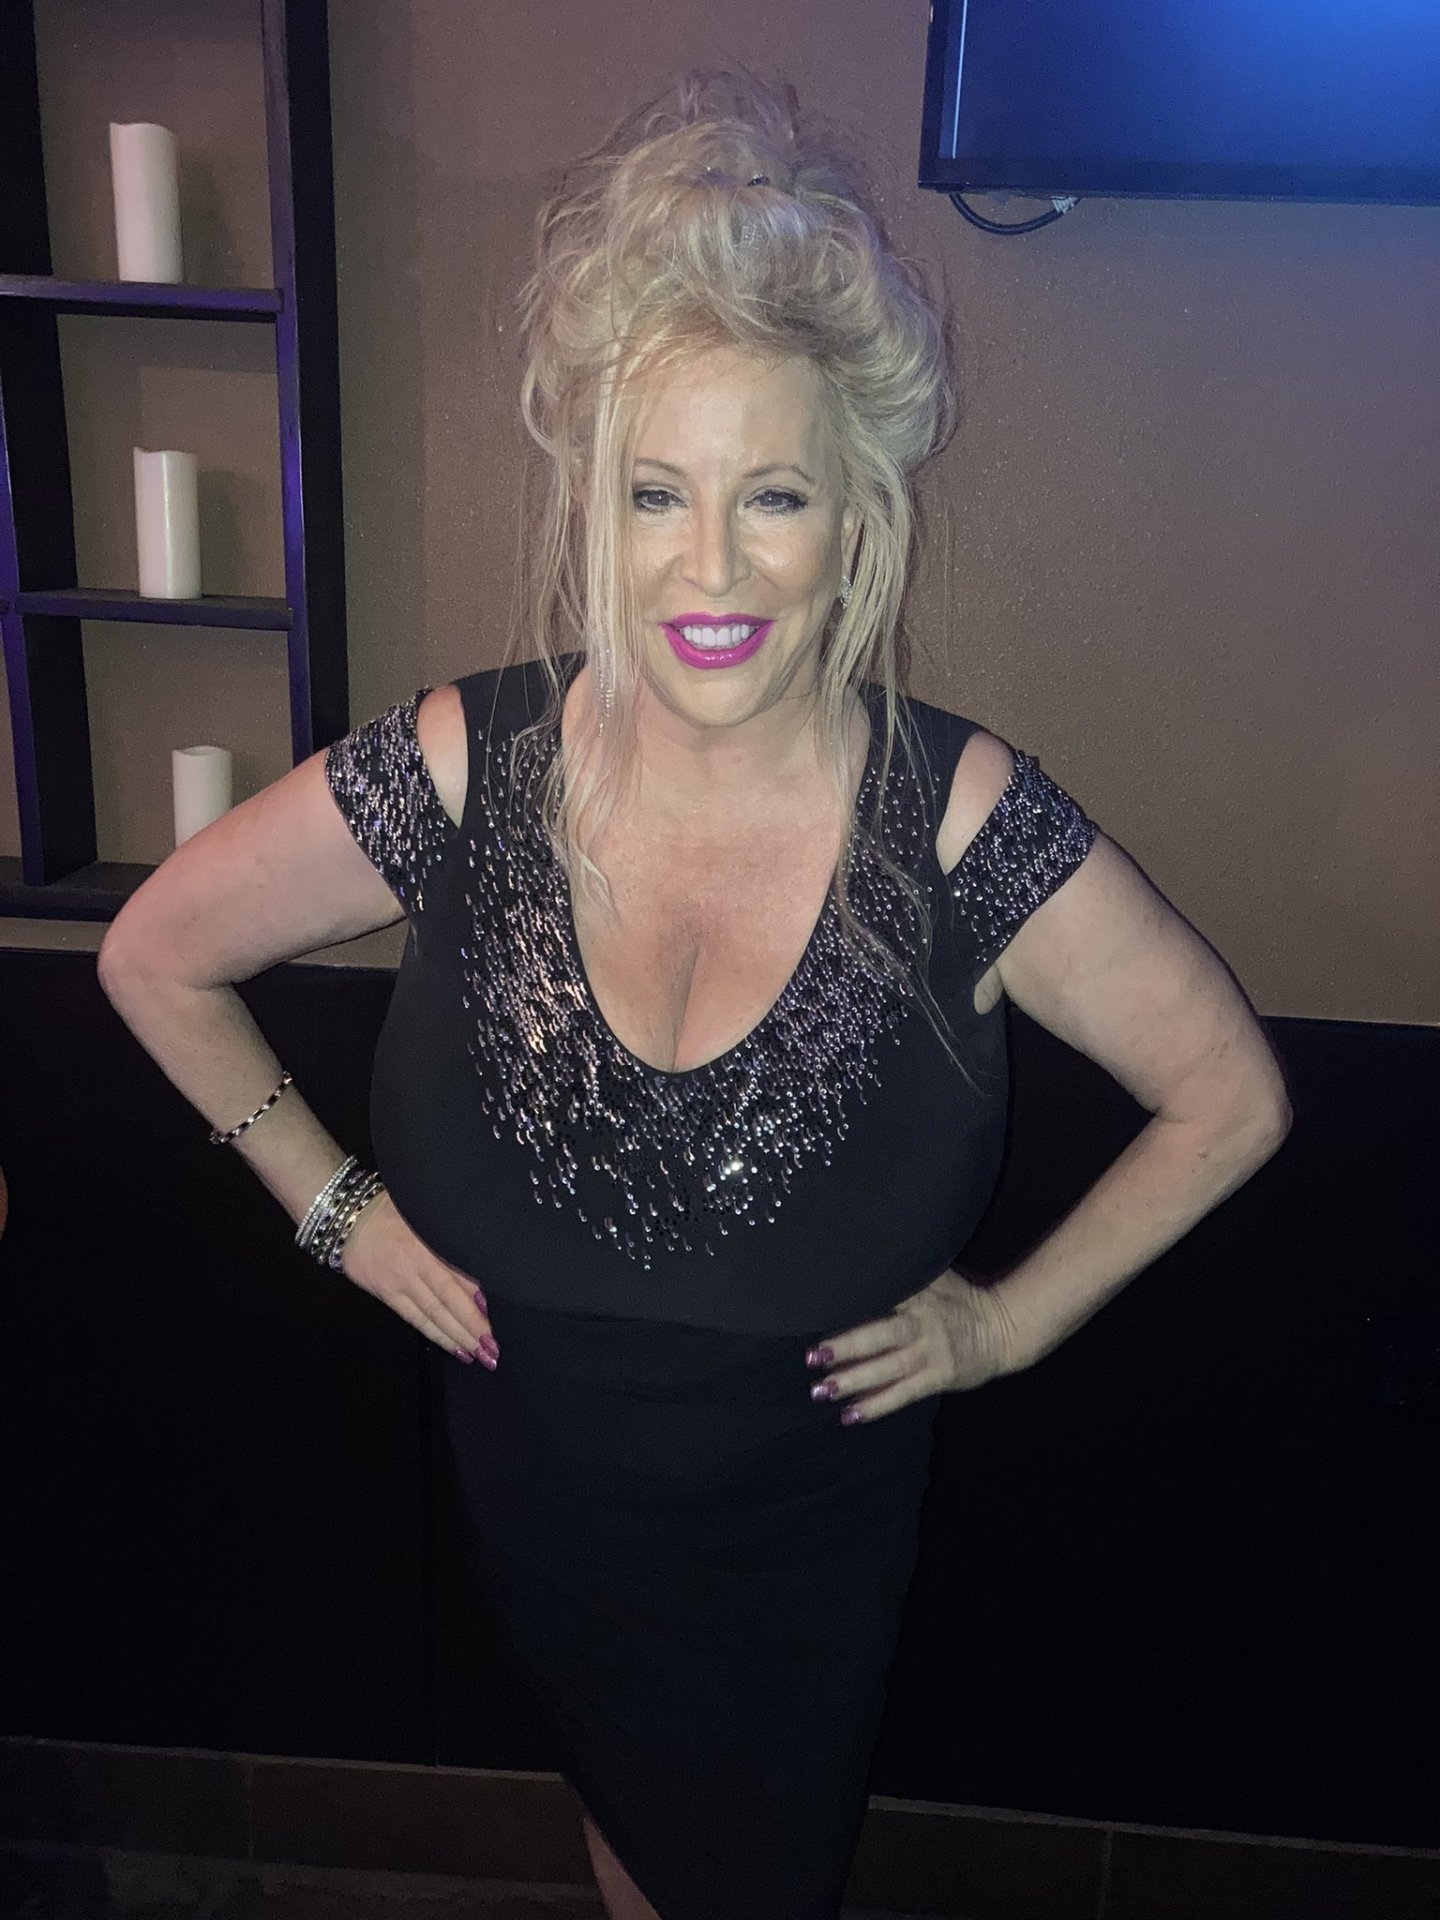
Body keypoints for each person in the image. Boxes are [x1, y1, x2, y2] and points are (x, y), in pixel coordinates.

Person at [97, 68, 1292, 1920]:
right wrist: (333, 1209)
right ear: (596, 502)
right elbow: (155, 952)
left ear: (856, 517)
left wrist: (1008, 1327)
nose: (710, 565)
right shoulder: (466, 769)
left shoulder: (957, 819)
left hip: (801, 1554)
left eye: (773, 496)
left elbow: (1231, 1095)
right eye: (658, 492)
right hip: (544, 1521)